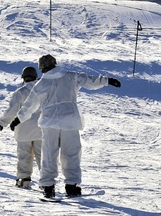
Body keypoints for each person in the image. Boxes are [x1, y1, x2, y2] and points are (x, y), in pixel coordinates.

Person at [17, 54, 121, 198]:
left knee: (49, 155)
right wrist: (107, 80)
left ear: (42, 68)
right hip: (70, 121)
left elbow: (30, 104)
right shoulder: (70, 76)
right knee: (71, 154)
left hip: (50, 123)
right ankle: (72, 185)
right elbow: (89, 80)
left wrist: (19, 118)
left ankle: (48, 186)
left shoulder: (41, 84)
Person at [0, 66, 41, 188]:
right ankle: (46, 183)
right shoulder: (43, 90)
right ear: (35, 77)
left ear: (23, 78)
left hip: (23, 130)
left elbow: (12, 110)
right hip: (41, 129)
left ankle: (24, 180)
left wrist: (3, 123)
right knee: (43, 157)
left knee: (24, 155)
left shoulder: (20, 92)